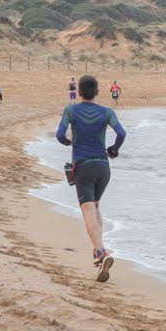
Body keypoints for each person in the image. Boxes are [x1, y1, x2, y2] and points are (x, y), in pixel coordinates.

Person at [56, 75, 126, 282]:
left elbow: (60, 135)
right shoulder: (107, 112)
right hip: (103, 166)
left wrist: (71, 143)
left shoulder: (71, 110)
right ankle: (98, 251)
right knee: (95, 207)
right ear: (97, 92)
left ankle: (101, 251)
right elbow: (121, 133)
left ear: (78, 92)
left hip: (83, 165)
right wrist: (113, 149)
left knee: (87, 210)